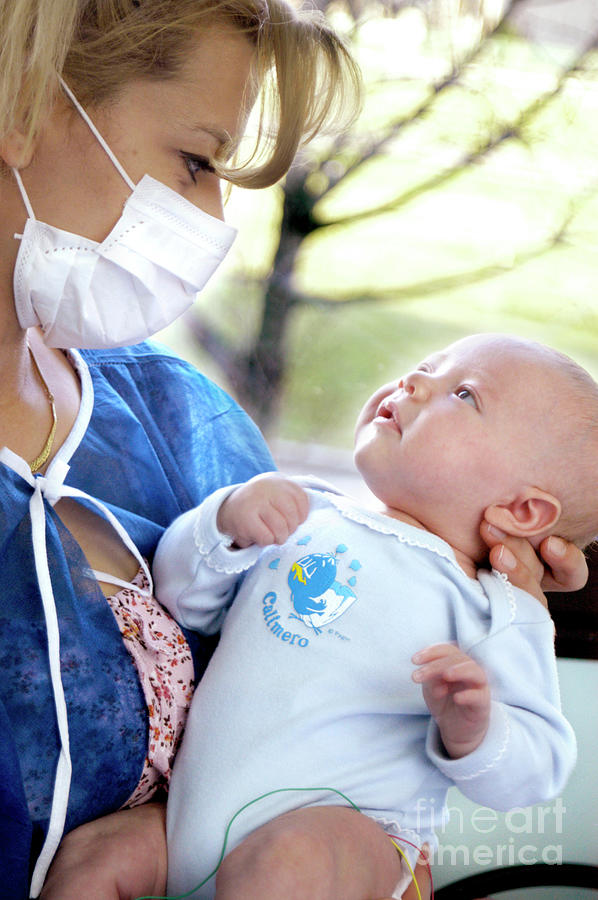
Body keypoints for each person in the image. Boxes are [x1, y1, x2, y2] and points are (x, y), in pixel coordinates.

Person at [0, 1, 586, 898]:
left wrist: (479, 698)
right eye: (197, 161)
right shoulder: (284, 501)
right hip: (182, 840)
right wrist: (228, 530)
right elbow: (198, 574)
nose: (216, 216)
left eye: (463, 395)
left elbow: (502, 779)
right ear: (22, 101)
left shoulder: (177, 419)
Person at [153, 333, 593, 900]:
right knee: (91, 856)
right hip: (187, 824)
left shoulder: (497, 607)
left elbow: (538, 770)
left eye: (462, 395)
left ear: (523, 509)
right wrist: (223, 523)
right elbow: (180, 599)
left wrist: (476, 729)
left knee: (283, 866)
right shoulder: (305, 508)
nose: (413, 381)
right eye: (426, 366)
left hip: (347, 841)